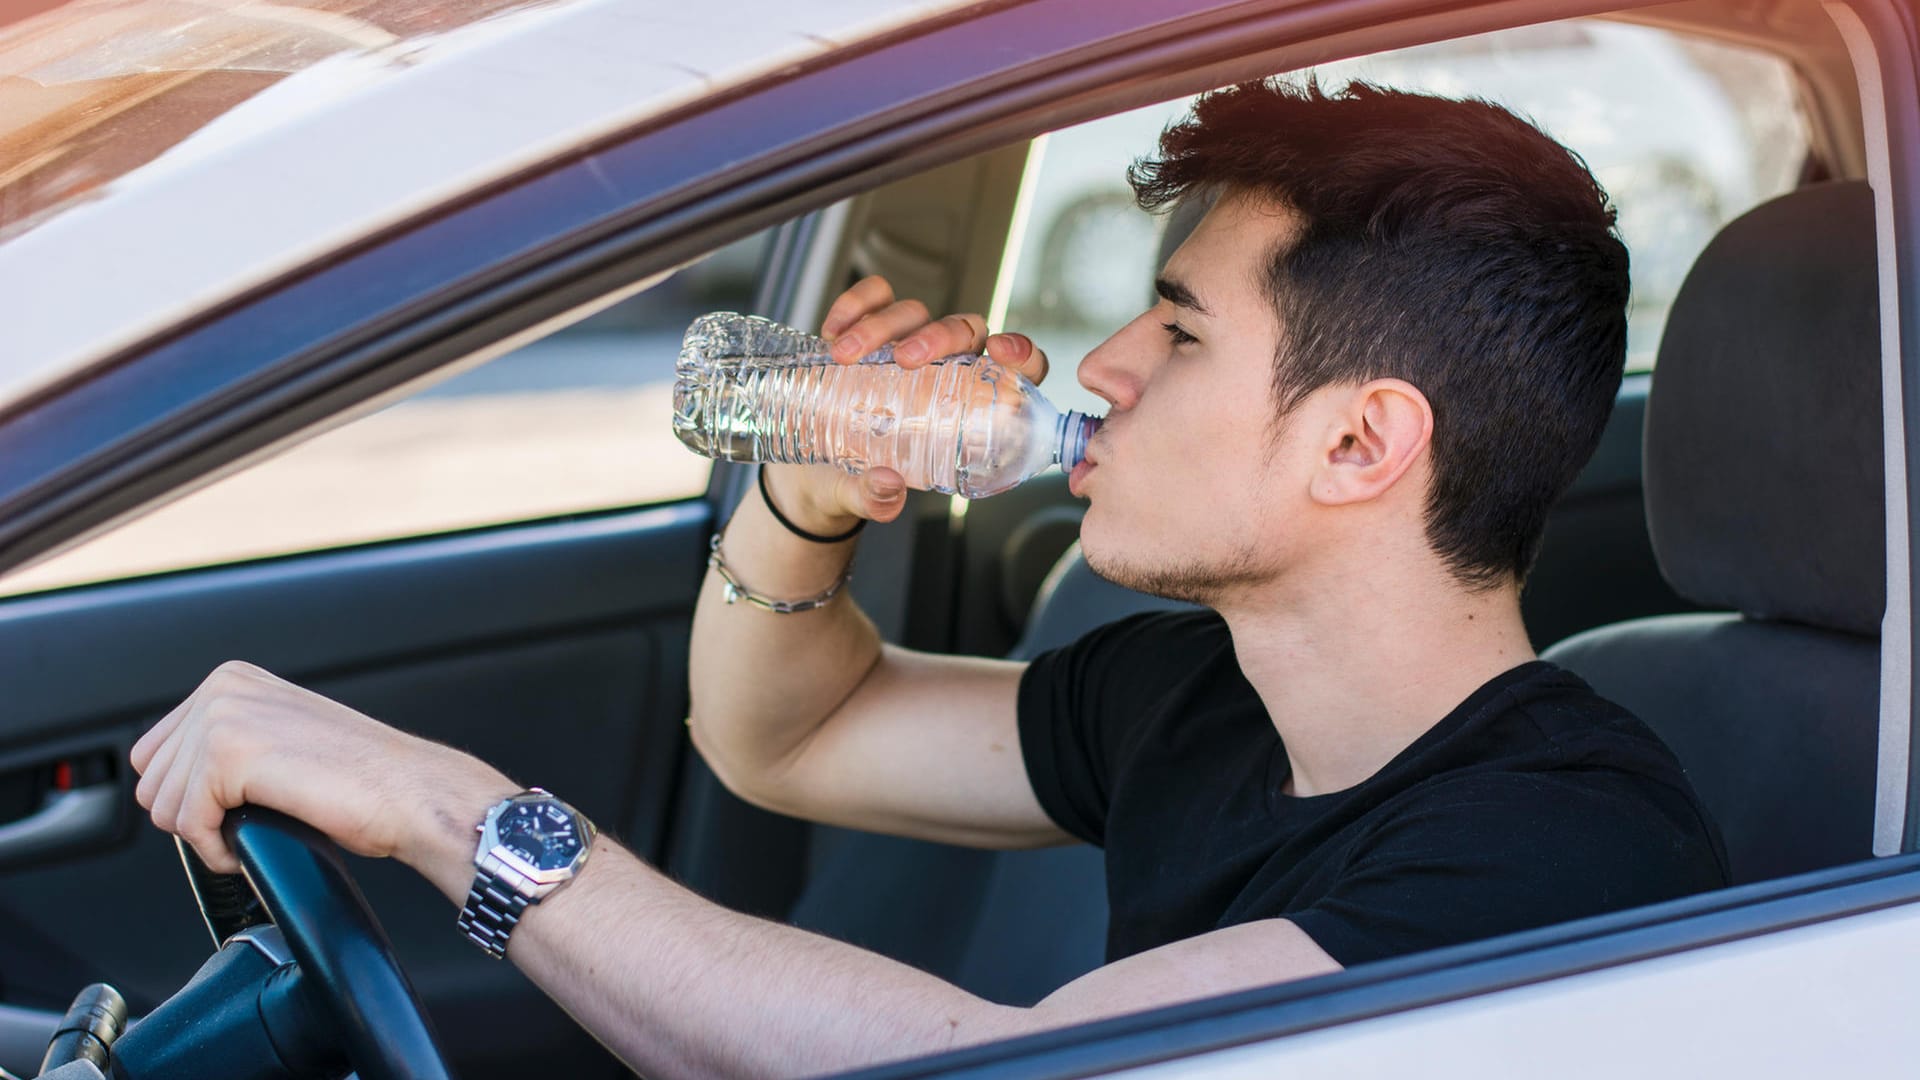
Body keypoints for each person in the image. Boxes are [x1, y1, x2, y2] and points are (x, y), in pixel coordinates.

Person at [131, 79, 1728, 1078]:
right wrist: (808, 501)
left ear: (1362, 444)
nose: (1099, 369)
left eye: (1177, 332)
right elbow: (790, 738)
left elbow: (1003, 1070)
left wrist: (445, 811)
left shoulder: (1566, 851)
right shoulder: (1201, 693)